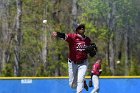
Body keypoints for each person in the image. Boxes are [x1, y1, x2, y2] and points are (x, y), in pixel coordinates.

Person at [52, 23, 97, 93]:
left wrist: (92, 51)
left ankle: (81, 85)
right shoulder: (73, 37)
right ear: (77, 30)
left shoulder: (87, 40)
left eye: (83, 27)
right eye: (80, 27)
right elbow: (64, 36)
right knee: (72, 85)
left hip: (83, 63)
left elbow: (92, 52)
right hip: (72, 63)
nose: (82, 28)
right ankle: (83, 82)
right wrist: (58, 34)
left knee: (80, 80)